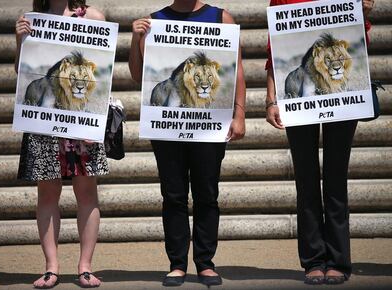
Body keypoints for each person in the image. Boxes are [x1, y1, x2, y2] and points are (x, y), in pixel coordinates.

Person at [129, 0, 246, 286]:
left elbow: (237, 71)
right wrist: (135, 39)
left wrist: (239, 113)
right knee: (173, 195)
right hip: (168, 128)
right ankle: (177, 264)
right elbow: (137, 76)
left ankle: (205, 263)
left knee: (207, 193)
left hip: (209, 127)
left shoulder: (221, 18)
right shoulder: (153, 21)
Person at [266, 0, 374, 285]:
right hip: (301, 98)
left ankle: (338, 259)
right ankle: (314, 259)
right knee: (306, 177)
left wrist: (364, 11)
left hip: (342, 99)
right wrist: (271, 100)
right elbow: (273, 50)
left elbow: (360, 39)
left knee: (336, 178)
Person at [15, 0, 108, 288]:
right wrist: (21, 40)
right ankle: (51, 267)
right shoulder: (31, 20)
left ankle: (85, 267)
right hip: (44, 123)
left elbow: (103, 69)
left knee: (87, 193)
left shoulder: (93, 16)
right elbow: (22, 70)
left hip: (83, 123)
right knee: (47, 194)